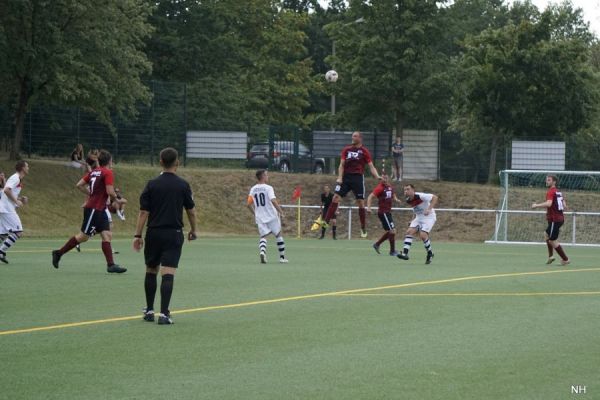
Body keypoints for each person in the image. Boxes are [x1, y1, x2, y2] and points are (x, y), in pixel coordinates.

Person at [133, 147, 197, 325]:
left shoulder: (151, 184)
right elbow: (191, 210)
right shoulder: (183, 185)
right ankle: (164, 314)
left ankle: (149, 310)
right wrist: (194, 230)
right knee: (168, 272)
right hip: (173, 233)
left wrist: (138, 234)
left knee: (151, 269)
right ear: (177, 162)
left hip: (153, 232)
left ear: (161, 161)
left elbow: (143, 212)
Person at [52, 149, 126, 273]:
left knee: (107, 234)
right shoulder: (108, 172)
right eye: (112, 160)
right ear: (109, 161)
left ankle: (111, 265)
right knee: (83, 237)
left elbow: (79, 185)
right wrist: (118, 199)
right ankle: (58, 253)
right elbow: (109, 191)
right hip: (94, 209)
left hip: (99, 208)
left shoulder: (95, 171)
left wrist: (91, 194)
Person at [322, 131, 382, 238]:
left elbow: (371, 166)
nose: (352, 138)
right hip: (346, 178)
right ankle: (325, 221)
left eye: (355, 136)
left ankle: (363, 227)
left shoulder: (364, 151)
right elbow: (341, 165)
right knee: (335, 197)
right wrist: (340, 177)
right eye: (352, 136)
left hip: (358, 178)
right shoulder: (346, 149)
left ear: (360, 138)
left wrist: (377, 176)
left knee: (360, 203)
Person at [247, 169, 288, 264]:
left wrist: (255, 214)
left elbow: (248, 204)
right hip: (271, 215)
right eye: (266, 175)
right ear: (262, 177)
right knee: (278, 234)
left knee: (263, 236)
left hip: (260, 217)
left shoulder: (253, 189)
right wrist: (281, 212)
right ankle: (282, 258)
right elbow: (273, 200)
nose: (267, 176)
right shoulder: (268, 188)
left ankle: (262, 252)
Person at [531, 175, 569, 265]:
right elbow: (564, 203)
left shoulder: (551, 191)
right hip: (558, 218)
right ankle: (551, 256)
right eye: (546, 180)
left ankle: (565, 259)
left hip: (555, 219)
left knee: (552, 240)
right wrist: (564, 206)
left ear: (554, 182)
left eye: (549, 180)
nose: (547, 181)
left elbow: (549, 204)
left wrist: (536, 205)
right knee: (546, 235)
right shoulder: (558, 191)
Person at [397, 184, 437, 264]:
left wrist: (429, 209)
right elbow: (416, 209)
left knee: (423, 235)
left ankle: (430, 253)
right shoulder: (408, 199)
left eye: (408, 189)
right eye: (405, 190)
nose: (406, 191)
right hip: (419, 218)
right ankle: (405, 253)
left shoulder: (420, 196)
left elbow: (435, 197)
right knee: (409, 232)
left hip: (429, 217)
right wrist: (412, 220)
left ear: (413, 190)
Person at [0, 161, 30, 264]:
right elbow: (6, 190)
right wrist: (16, 201)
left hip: (5, 208)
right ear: (22, 168)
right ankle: (1, 251)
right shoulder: (15, 178)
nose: (28, 168)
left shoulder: (18, 179)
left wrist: (21, 199)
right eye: (27, 166)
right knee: (18, 232)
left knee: (3, 234)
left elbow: (9, 192)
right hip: (6, 209)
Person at [367, 174, 401, 256]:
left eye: (386, 177)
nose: (385, 179)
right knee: (392, 231)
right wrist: (368, 208)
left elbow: (392, 193)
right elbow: (370, 197)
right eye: (383, 178)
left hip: (388, 212)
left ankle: (377, 244)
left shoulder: (389, 186)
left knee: (391, 231)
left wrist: (396, 199)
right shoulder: (380, 188)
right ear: (381, 179)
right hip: (383, 212)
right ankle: (392, 251)